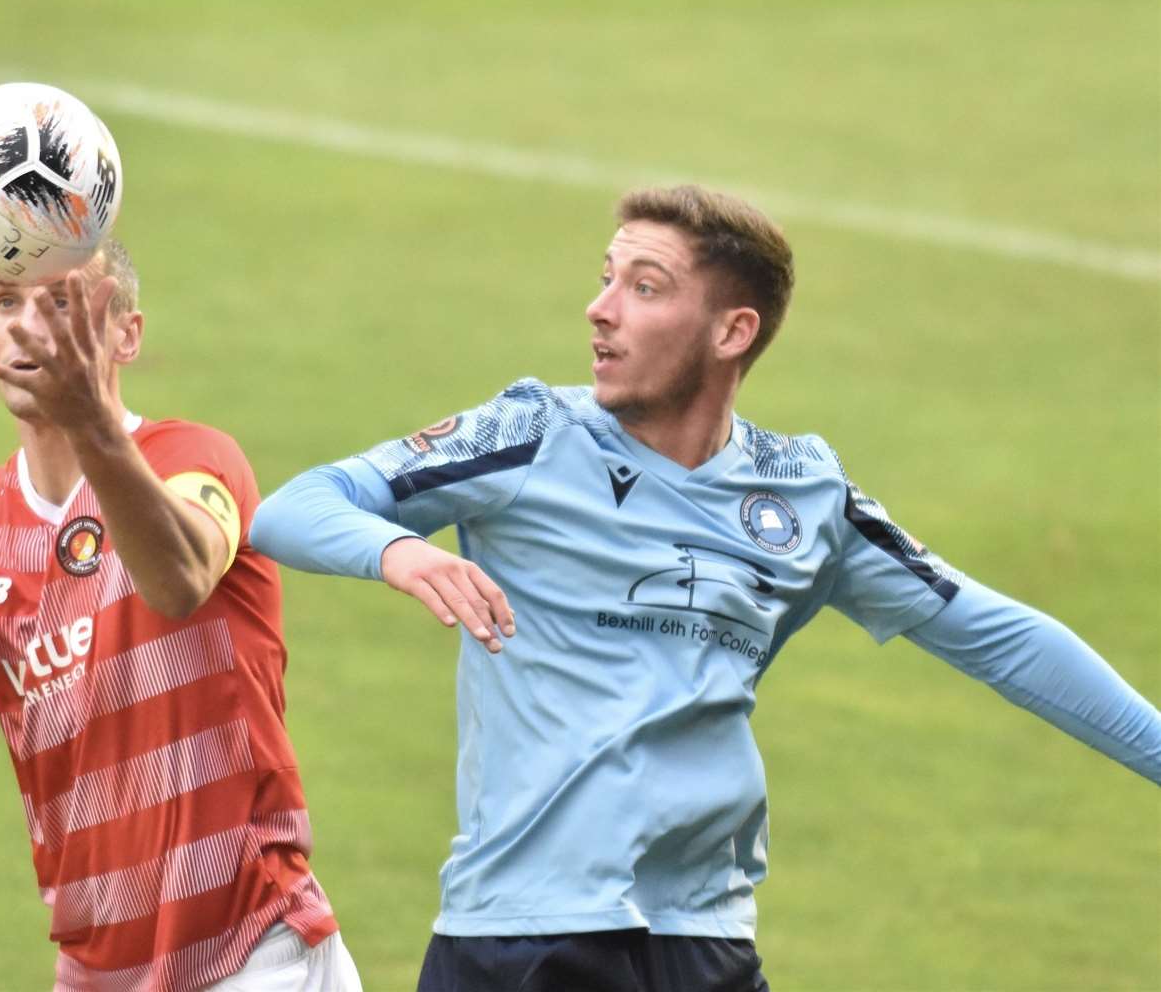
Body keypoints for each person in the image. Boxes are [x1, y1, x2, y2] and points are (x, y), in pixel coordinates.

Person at [248, 185, 1161, 992]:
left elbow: (997, 636)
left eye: (644, 288)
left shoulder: (802, 494)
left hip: (703, 937)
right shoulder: (529, 435)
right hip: (523, 935)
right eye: (605, 278)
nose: (599, 310)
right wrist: (402, 554)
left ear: (733, 332)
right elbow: (296, 507)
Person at [0, 239, 360, 992]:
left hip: (255, 956)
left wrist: (92, 425)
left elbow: (181, 577)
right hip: (97, 973)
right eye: (4, 302)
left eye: (59, 303)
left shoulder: (195, 459)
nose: (27, 325)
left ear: (125, 335)